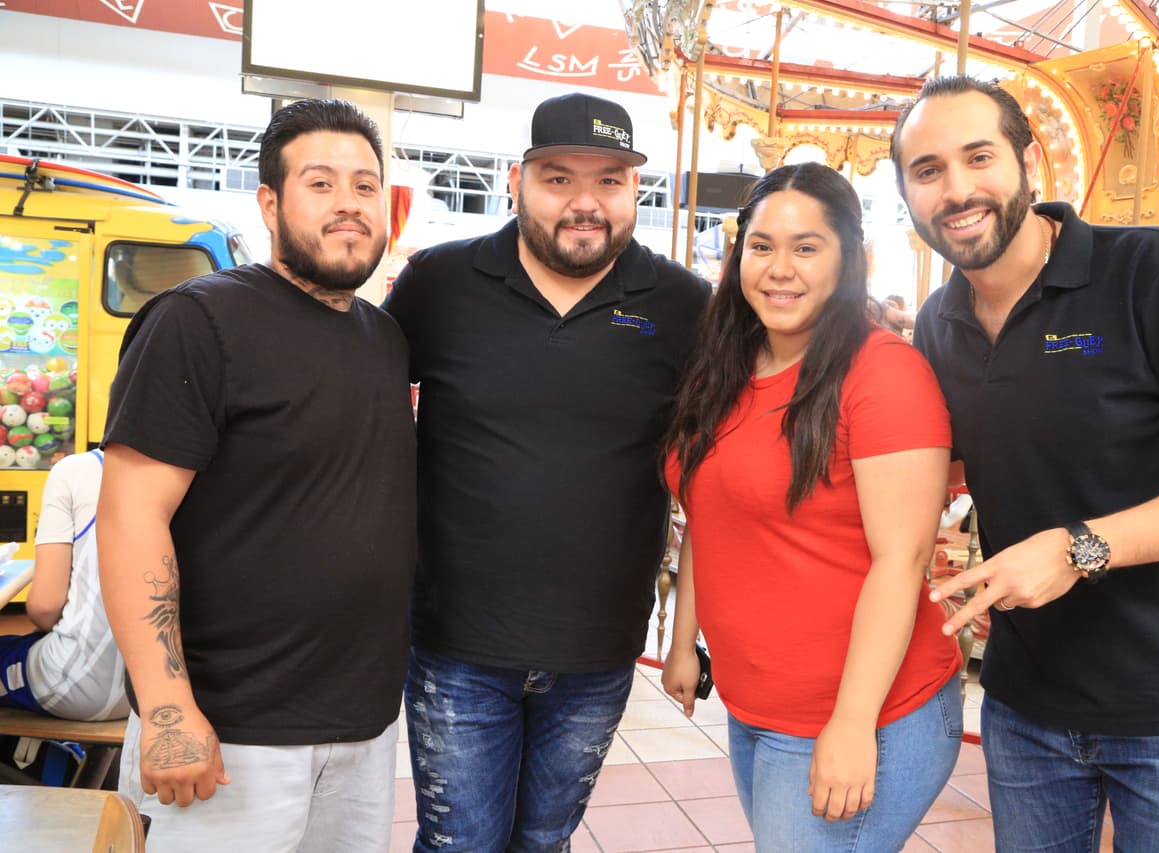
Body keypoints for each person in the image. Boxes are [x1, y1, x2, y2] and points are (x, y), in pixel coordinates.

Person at [898, 76, 1159, 851]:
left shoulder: (1154, 270)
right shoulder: (938, 323)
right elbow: (941, 473)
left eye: (979, 156)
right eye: (928, 169)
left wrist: (1079, 548)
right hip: (1025, 702)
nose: (958, 189)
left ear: (1028, 160)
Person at [383, 92, 709, 851]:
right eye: (559, 178)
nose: (585, 203)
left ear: (636, 190)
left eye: (610, 181)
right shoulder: (440, 282)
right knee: (460, 843)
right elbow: (359, 410)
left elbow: (715, 470)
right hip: (456, 642)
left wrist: (689, 631)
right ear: (516, 179)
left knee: (544, 841)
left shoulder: (683, 305)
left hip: (598, 649)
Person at [97, 98, 416, 853]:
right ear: (270, 202)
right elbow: (129, 516)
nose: (349, 204)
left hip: (362, 726)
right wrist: (169, 708)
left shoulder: (384, 337)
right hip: (231, 733)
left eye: (366, 186)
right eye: (321, 183)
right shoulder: (198, 321)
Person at [661, 162, 963, 851]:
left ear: (848, 258)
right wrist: (685, 642)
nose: (779, 269)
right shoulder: (727, 368)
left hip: (865, 712)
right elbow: (712, 517)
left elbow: (903, 556)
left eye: (806, 247)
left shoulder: (883, 372)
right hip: (757, 704)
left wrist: (853, 723)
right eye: (761, 246)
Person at [0, 450, 126, 720]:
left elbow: (45, 606)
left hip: (75, 682)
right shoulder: (198, 476)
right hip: (159, 690)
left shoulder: (77, 469)